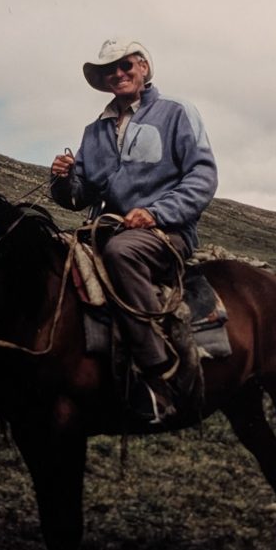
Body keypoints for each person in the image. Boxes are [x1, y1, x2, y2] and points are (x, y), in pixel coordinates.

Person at [50, 38, 218, 423]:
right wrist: (63, 179)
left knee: (121, 254)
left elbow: (203, 175)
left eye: (125, 65)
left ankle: (160, 372)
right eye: (109, 70)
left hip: (166, 232)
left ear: (143, 67)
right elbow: (79, 196)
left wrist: (156, 213)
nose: (118, 73)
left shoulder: (176, 112)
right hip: (106, 229)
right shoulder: (95, 131)